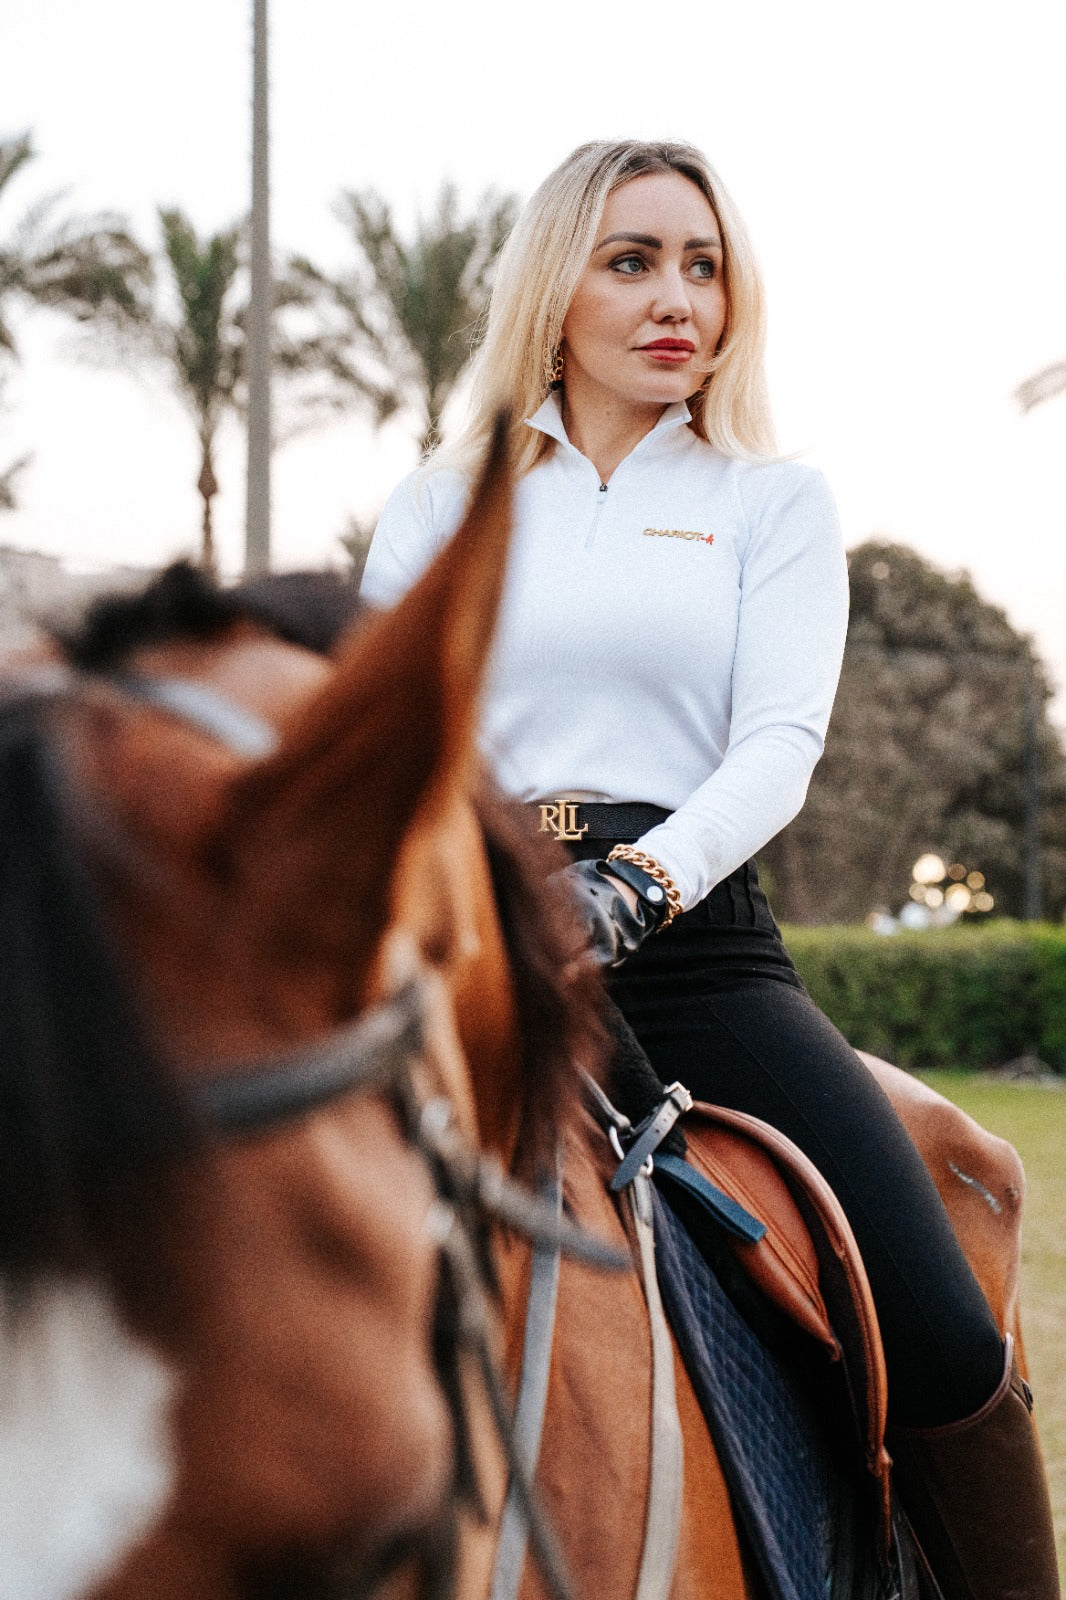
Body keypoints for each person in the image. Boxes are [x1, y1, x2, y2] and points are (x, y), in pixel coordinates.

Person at [360, 140, 1058, 1599]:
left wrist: (628, 890)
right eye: (631, 261)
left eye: (703, 264)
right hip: (472, 946)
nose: (677, 297)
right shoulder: (441, 504)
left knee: (939, 1333)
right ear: (554, 294)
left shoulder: (769, 501)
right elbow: (387, 748)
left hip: (694, 954)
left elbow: (776, 751)